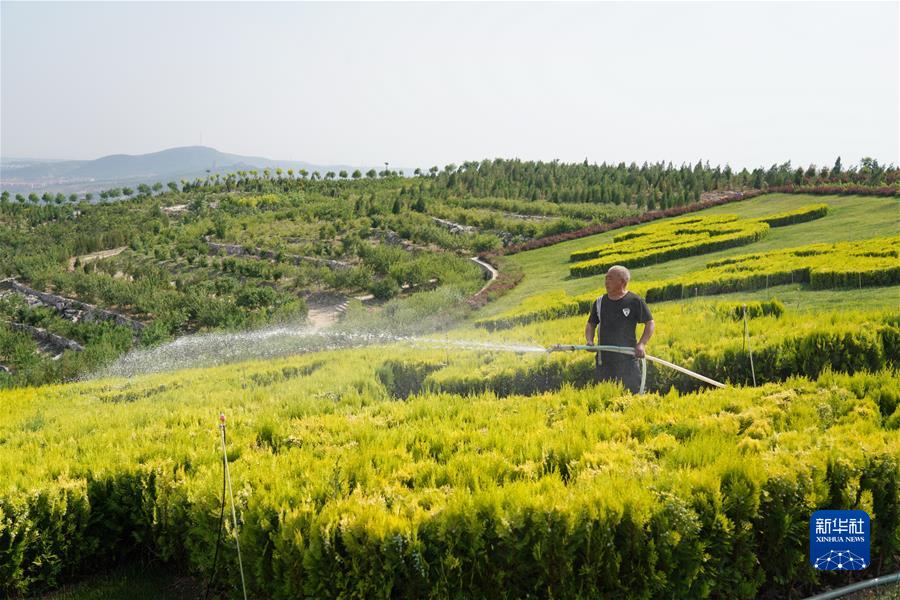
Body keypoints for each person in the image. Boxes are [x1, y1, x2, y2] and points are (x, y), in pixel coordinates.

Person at [584, 265, 655, 393]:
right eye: (605, 279)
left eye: (610, 279)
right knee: (606, 396)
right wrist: (589, 340)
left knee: (634, 394)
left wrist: (641, 344)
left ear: (622, 281)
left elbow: (650, 323)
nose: (606, 282)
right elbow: (591, 324)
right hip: (604, 361)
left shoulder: (634, 301)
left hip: (628, 360)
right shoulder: (599, 302)